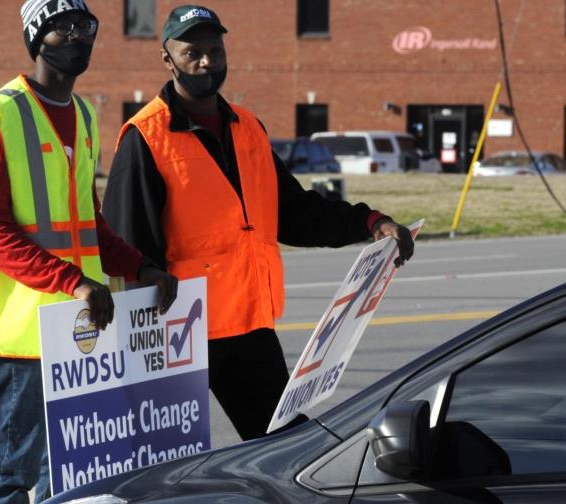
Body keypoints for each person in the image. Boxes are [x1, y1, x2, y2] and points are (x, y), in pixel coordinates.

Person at [103, 4, 415, 442]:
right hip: (175, 331)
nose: (207, 62)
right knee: (162, 460)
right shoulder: (146, 137)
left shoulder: (248, 128)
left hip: (248, 327)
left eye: (215, 50)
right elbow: (126, 243)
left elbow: (294, 213)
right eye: (193, 52)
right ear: (167, 58)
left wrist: (369, 222)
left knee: (284, 445)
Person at [0, 1, 178, 502]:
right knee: (10, 473)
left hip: (77, 328)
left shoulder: (84, 116)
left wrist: (141, 267)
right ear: (35, 38)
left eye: (83, 27)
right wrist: (72, 281)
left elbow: (89, 226)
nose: (74, 37)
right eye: (60, 28)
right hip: (22, 330)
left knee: (68, 470)